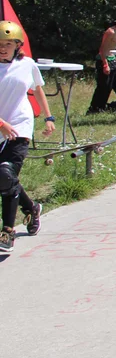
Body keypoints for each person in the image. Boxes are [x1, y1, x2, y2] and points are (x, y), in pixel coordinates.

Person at [0, 22, 52, 252]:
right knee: (5, 178)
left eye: (8, 44)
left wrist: (48, 117)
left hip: (19, 125)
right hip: (2, 125)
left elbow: (37, 88)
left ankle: (7, 232)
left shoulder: (27, 64)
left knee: (5, 173)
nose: (3, 48)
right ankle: (31, 208)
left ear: (18, 45)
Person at [87, 12, 116, 113]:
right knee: (104, 86)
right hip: (104, 60)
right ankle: (95, 109)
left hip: (113, 60)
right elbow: (102, 49)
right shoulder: (110, 31)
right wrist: (105, 65)